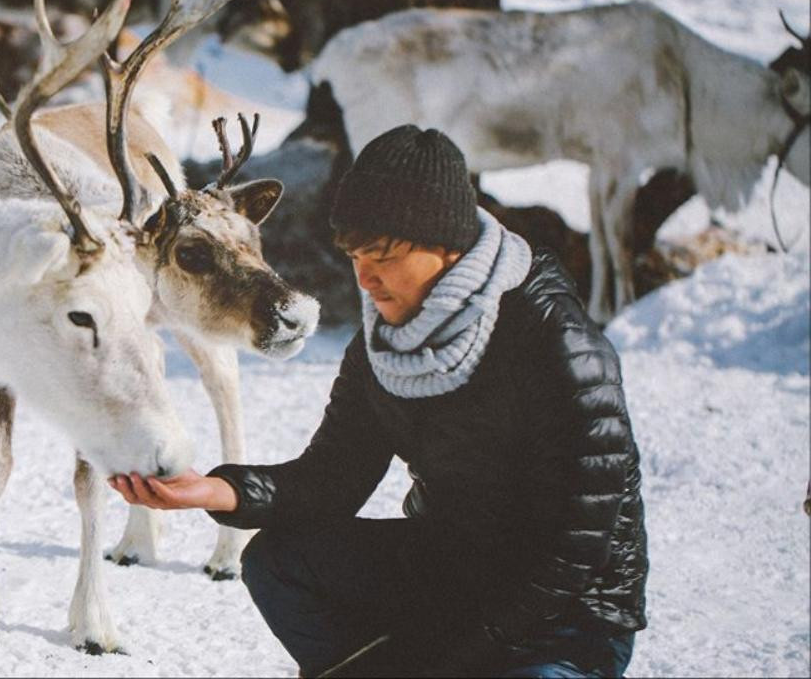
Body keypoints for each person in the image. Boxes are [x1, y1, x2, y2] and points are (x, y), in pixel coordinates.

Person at [109, 125, 648, 678]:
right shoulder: (384, 341)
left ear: (446, 245)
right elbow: (333, 478)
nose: (365, 279)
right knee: (279, 563)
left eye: (384, 257)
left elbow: (577, 549)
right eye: (355, 256)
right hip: (455, 566)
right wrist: (218, 490)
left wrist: (459, 654)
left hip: (568, 615)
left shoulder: (560, 347)